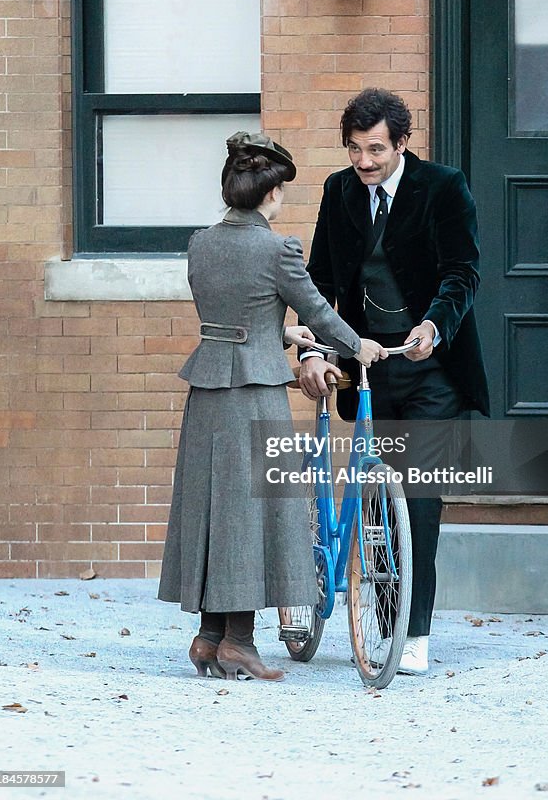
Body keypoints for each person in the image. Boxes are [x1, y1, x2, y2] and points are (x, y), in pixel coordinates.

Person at [157, 131, 386, 683]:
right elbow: (321, 312)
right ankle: (238, 641)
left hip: (208, 389)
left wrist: (281, 331)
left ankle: (209, 637)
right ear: (272, 194)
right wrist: (361, 346)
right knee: (254, 511)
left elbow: (228, 318)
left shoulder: (201, 244)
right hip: (255, 393)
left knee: (215, 509)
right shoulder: (278, 249)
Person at [298, 88, 489, 676]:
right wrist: (312, 348)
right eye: (355, 150)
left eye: (375, 149)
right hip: (367, 367)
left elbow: (463, 270)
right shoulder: (338, 191)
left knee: (421, 501)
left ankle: (414, 631)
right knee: (373, 506)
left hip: (430, 369)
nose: (364, 162)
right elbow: (319, 280)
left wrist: (437, 322)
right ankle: (382, 618)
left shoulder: (443, 186)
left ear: (402, 142)